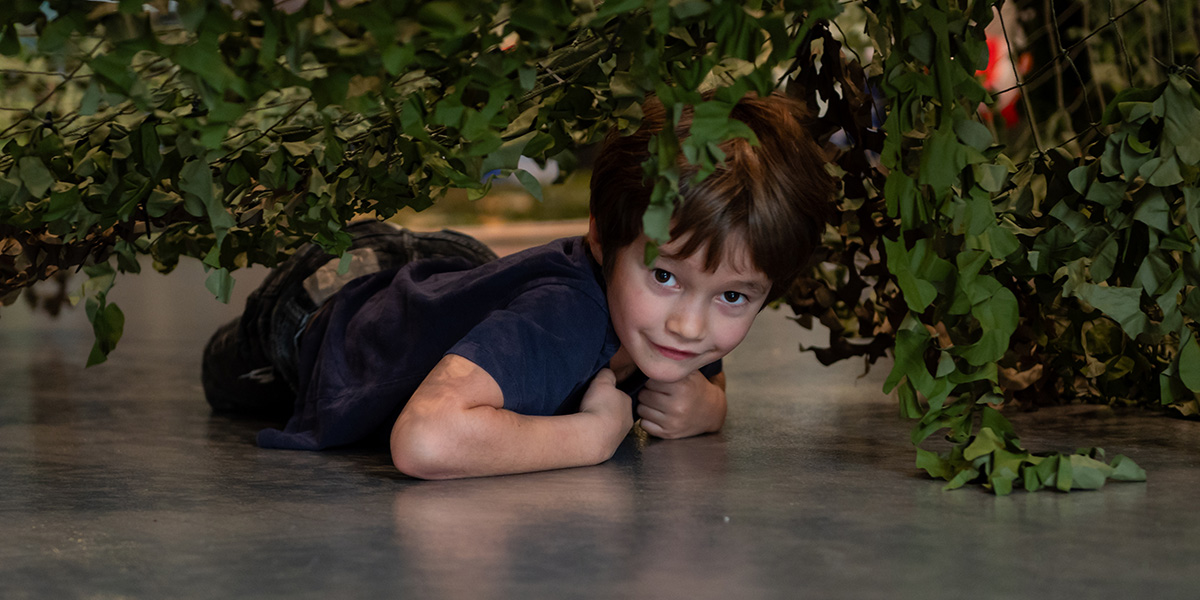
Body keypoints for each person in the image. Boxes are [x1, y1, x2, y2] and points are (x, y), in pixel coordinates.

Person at [201, 91, 835, 479]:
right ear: (601, 238)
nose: (691, 327)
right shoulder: (561, 319)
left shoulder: (676, 319)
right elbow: (425, 441)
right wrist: (588, 438)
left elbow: (707, 361)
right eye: (665, 275)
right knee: (223, 377)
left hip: (459, 272)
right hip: (324, 306)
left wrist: (710, 405)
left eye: (732, 296)